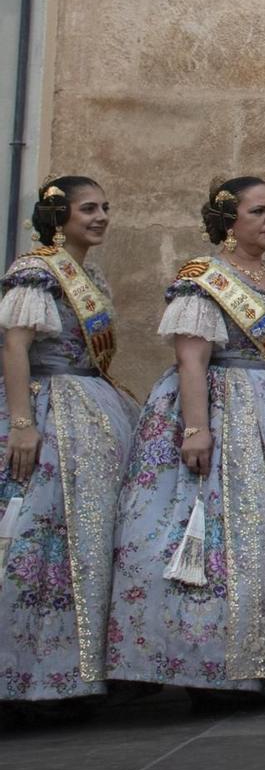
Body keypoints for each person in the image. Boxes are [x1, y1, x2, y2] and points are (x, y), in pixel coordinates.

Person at [106, 177, 265, 701]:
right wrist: (196, 428)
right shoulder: (204, 280)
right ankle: (214, 664)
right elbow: (191, 359)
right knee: (229, 536)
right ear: (229, 220)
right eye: (259, 211)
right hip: (227, 413)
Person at [0, 177, 138, 714]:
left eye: (104, 207)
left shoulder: (88, 273)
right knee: (41, 536)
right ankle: (27, 673)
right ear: (59, 217)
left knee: (90, 535)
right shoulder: (35, 272)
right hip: (50, 410)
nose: (101, 217)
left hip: (93, 409)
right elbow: (15, 346)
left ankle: (77, 671)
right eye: (88, 209)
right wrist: (22, 422)